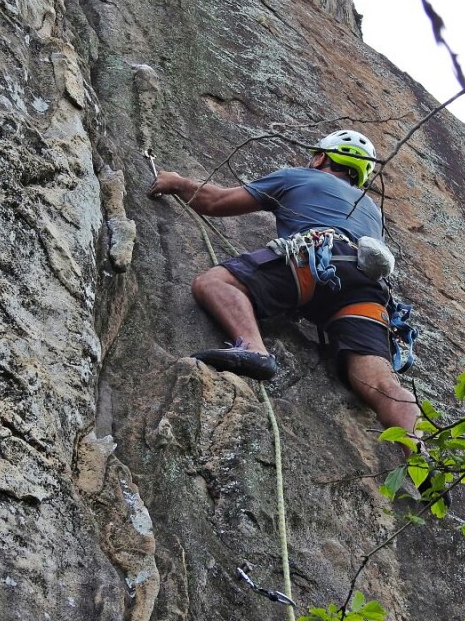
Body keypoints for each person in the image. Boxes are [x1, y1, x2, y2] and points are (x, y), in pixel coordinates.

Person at [147, 129, 420, 454]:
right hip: (368, 289)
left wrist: (177, 182)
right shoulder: (372, 211)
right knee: (381, 383)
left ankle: (254, 350)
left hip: (318, 258)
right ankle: (419, 452)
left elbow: (214, 201)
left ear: (320, 157)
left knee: (214, 283)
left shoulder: (299, 177)